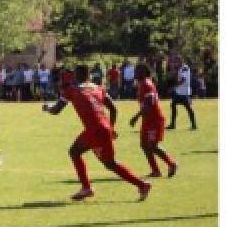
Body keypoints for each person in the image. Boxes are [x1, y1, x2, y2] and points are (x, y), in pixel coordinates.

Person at [44, 63, 150, 201]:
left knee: (105, 162)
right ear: (88, 76)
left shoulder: (73, 89)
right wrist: (111, 128)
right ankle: (139, 185)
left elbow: (56, 110)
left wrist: (47, 108)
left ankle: (141, 185)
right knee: (82, 154)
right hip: (102, 128)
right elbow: (113, 108)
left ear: (77, 76)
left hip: (95, 131)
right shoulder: (98, 88)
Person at [128, 63, 177, 178]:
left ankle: (172, 163)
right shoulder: (141, 83)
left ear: (144, 72)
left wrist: (136, 116)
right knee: (144, 145)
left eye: (138, 70)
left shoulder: (146, 84)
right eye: (135, 70)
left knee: (152, 146)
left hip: (155, 120)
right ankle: (155, 171)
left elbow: (150, 103)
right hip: (147, 119)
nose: (135, 72)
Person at [168, 56, 197, 130]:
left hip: (184, 93)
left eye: (176, 62)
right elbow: (176, 77)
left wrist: (174, 87)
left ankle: (194, 125)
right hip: (179, 92)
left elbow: (183, 80)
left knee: (188, 108)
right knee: (173, 105)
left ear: (180, 61)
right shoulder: (179, 69)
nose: (175, 63)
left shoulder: (185, 68)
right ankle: (172, 124)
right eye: (175, 62)